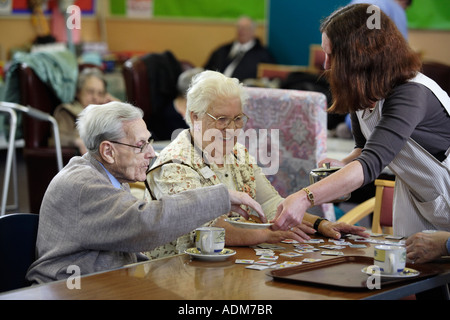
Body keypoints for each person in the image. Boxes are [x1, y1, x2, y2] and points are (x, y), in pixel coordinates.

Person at [26, 101, 265, 284]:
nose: (152, 153)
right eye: (141, 145)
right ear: (108, 151)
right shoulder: (83, 185)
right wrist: (221, 197)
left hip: (100, 285)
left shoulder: (106, 176)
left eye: (149, 142)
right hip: (68, 290)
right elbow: (147, 223)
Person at [145, 70, 368, 259]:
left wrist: (320, 224)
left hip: (231, 261)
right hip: (177, 272)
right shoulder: (174, 164)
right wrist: (268, 234)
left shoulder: (236, 152)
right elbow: (205, 229)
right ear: (194, 116)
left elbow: (270, 202)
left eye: (238, 118)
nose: (232, 128)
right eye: (221, 119)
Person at [271, 4, 450, 238]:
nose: (326, 65)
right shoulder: (365, 90)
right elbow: (364, 150)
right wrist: (343, 164)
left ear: (359, 56)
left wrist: (305, 197)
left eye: (332, 54)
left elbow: (370, 164)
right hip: (417, 197)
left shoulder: (411, 94)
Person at [52, 67, 119, 155]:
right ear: (78, 92)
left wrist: (118, 107)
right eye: (90, 92)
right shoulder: (67, 112)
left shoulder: (104, 114)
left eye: (100, 93)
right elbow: (56, 139)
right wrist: (76, 141)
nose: (95, 97)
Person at [204, 16, 275, 81]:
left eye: (246, 28)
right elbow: (206, 70)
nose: (241, 30)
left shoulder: (263, 55)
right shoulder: (222, 50)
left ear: (253, 31)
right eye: (239, 27)